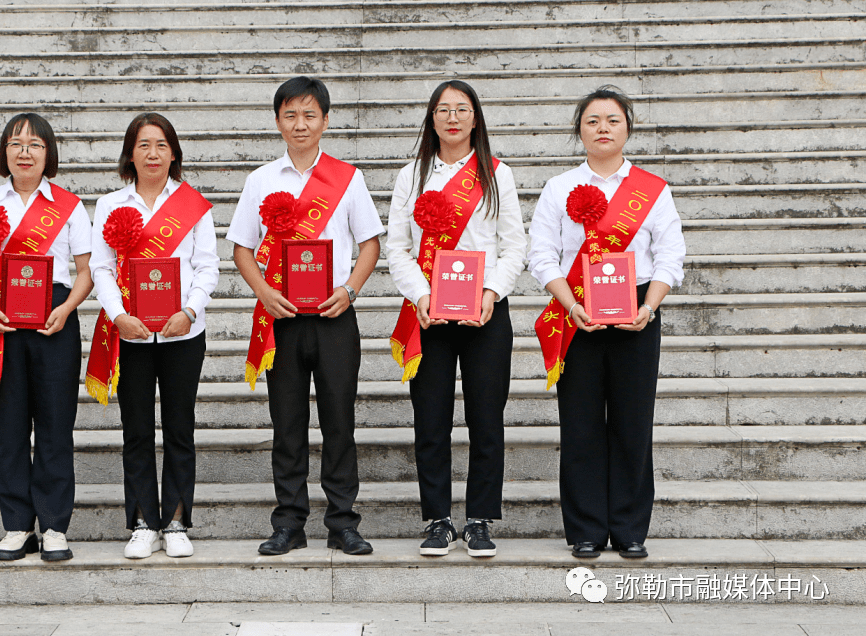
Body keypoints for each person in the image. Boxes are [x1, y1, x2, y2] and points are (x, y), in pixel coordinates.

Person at [227, 76, 385, 556]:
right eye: (291, 114)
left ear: (326, 121)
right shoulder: (260, 180)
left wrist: (351, 290)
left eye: (309, 114)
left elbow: (370, 244)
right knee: (287, 423)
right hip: (284, 318)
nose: (300, 123)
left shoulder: (348, 177)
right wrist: (264, 292)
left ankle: (343, 523)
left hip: (335, 316)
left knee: (339, 422)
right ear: (278, 121)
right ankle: (289, 523)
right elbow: (241, 249)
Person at [527, 85, 686, 559]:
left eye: (612, 120)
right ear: (579, 130)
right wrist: (569, 303)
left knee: (633, 422)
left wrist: (650, 307)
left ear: (628, 129)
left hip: (637, 307)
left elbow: (670, 254)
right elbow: (542, 255)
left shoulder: (652, 190)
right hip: (577, 309)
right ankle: (585, 529)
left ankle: (631, 528)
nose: (602, 129)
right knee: (580, 424)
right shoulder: (559, 188)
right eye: (593, 120)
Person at [385, 80, 527, 557]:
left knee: (487, 418)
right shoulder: (412, 175)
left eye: (461, 109)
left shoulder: (496, 175)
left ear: (475, 118)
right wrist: (421, 294)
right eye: (443, 110)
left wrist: (491, 291)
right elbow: (398, 248)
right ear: (431, 119)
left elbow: (514, 245)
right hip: (428, 314)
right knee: (431, 420)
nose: (452, 118)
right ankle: (439, 519)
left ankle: (481, 519)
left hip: (486, 312)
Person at [0, 113, 93, 562]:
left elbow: (87, 272)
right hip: (2, 319)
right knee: (10, 425)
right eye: (16, 144)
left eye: (35, 144)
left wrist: (67, 308)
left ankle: (54, 526)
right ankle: (17, 525)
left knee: (55, 424)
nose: (25, 152)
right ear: (5, 153)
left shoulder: (70, 206)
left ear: (48, 153)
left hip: (54, 314)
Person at [87, 112, 220, 559]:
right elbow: (100, 267)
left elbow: (207, 266)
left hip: (184, 333)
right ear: (130, 153)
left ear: (174, 153)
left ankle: (178, 519)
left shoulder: (193, 204)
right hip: (132, 335)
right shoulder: (110, 205)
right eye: (144, 144)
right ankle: (143, 521)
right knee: (137, 430)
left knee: (180, 428)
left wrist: (189, 310)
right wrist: (119, 314)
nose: (153, 153)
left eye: (161, 145)